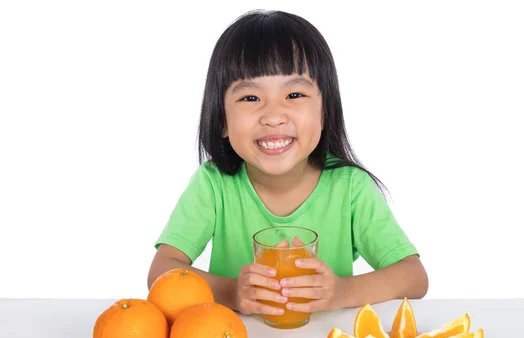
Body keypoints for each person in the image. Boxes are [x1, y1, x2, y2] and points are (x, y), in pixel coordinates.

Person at [147, 9, 428, 317]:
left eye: (294, 94)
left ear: (324, 112)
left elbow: (414, 277)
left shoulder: (351, 187)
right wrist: (231, 292)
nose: (273, 116)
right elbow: (161, 272)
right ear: (222, 121)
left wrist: (342, 292)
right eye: (250, 98)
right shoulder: (213, 183)